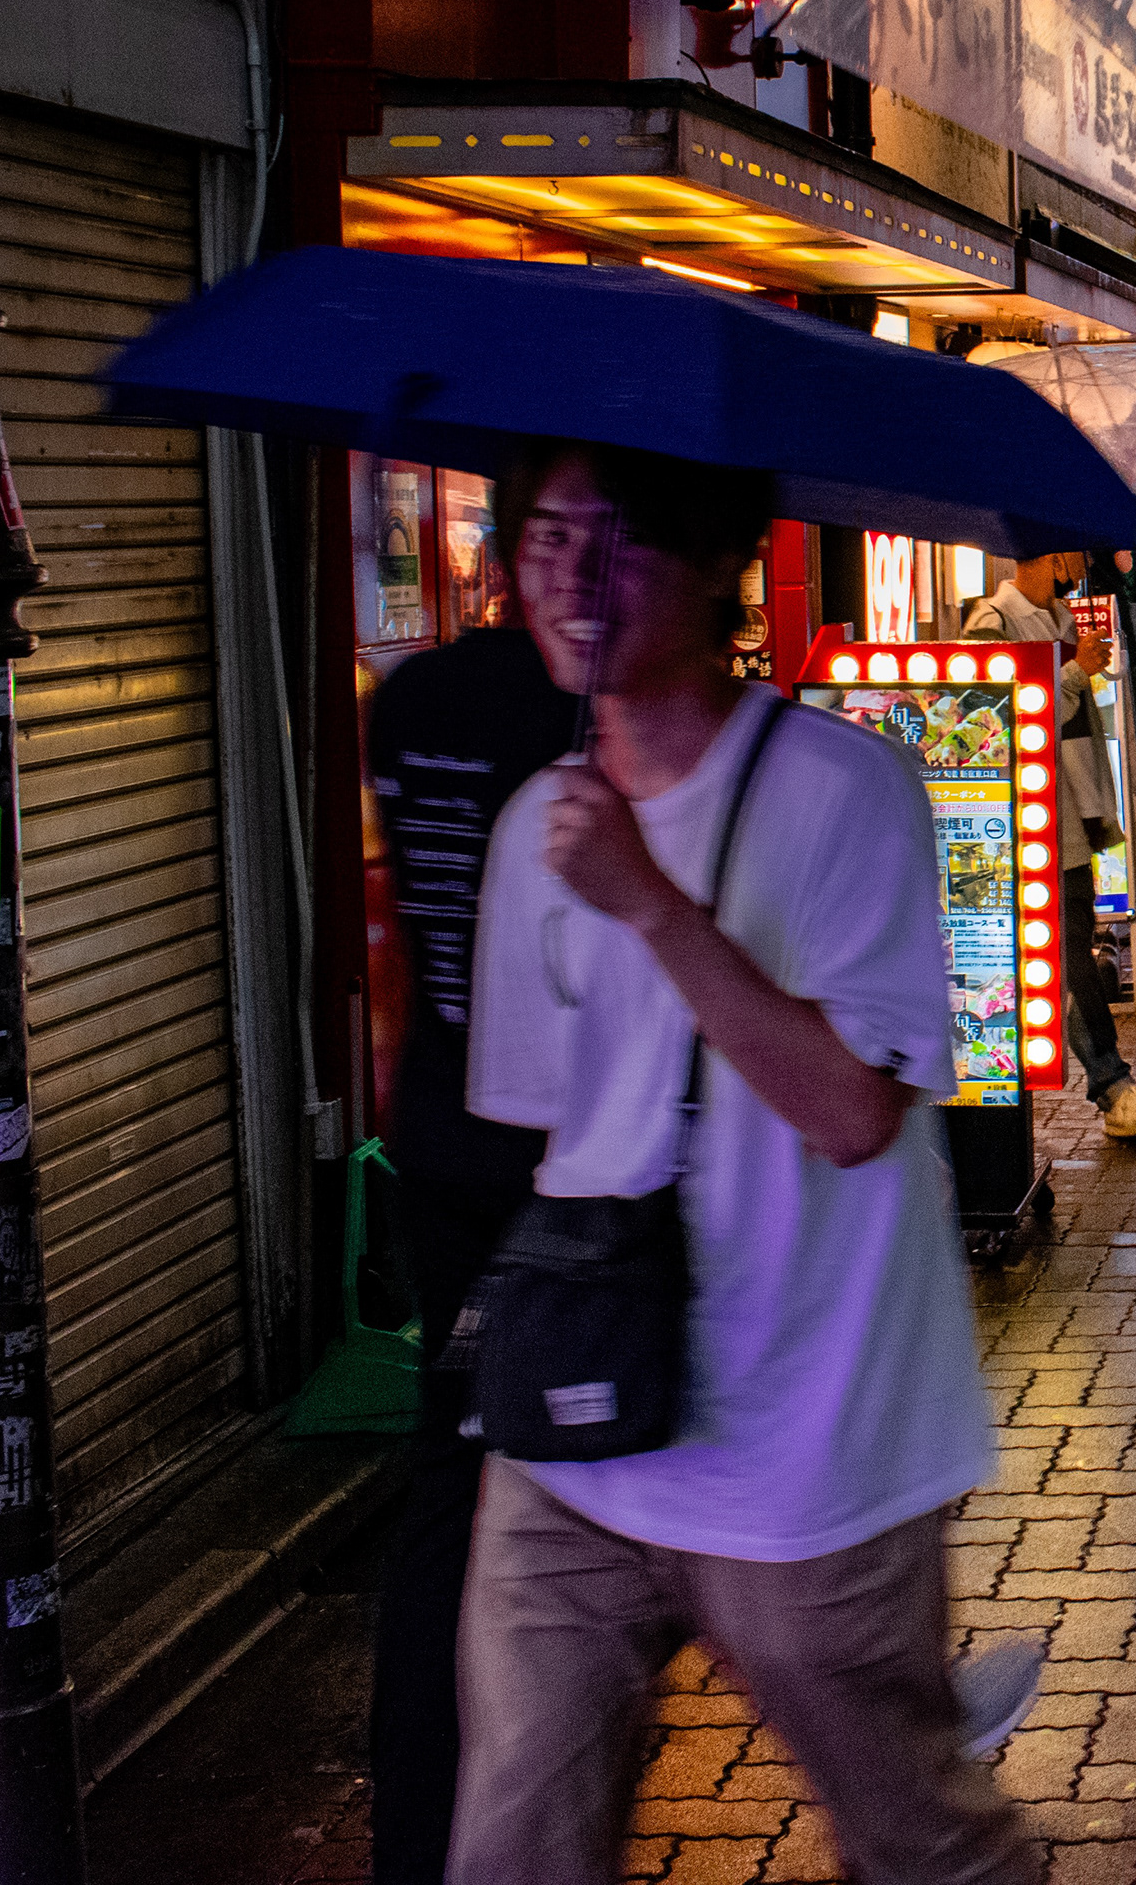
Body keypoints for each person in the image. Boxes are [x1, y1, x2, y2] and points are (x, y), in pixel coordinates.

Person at [450, 444, 1036, 1885]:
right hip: (589, 1421)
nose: (573, 570)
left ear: (720, 564)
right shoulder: (541, 824)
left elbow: (852, 1112)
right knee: (518, 1826)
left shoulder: (848, 792)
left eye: (622, 535)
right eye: (545, 533)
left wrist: (654, 907)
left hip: (812, 1432)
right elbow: (550, 1124)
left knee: (918, 1842)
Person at [361, 589, 581, 1885]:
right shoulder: (583, 713)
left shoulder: (411, 707)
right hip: (559, 1164)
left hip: (438, 1145)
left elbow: (399, 941)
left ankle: (414, 1833)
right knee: (608, 1470)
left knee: (449, 1482)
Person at [1058, 623, 1136, 1139]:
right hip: (1034, 833)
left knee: (1071, 960)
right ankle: (1112, 1085)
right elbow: (1010, 718)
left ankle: (1112, 1093)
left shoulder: (1061, 623)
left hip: (1070, 828)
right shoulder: (995, 621)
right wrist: (1071, 675)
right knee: (1068, 964)